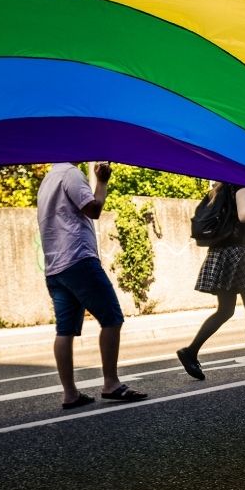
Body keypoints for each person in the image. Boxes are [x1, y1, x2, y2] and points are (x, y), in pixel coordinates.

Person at [38, 162, 147, 408]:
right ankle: (111, 383)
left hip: (54, 267)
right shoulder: (71, 174)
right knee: (112, 318)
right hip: (78, 259)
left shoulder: (48, 180)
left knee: (64, 330)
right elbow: (94, 209)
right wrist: (103, 182)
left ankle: (70, 394)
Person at [176, 182, 245, 378]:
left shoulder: (220, 189)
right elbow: (243, 215)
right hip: (237, 252)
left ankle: (190, 352)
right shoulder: (242, 186)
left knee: (225, 310)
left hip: (221, 252)